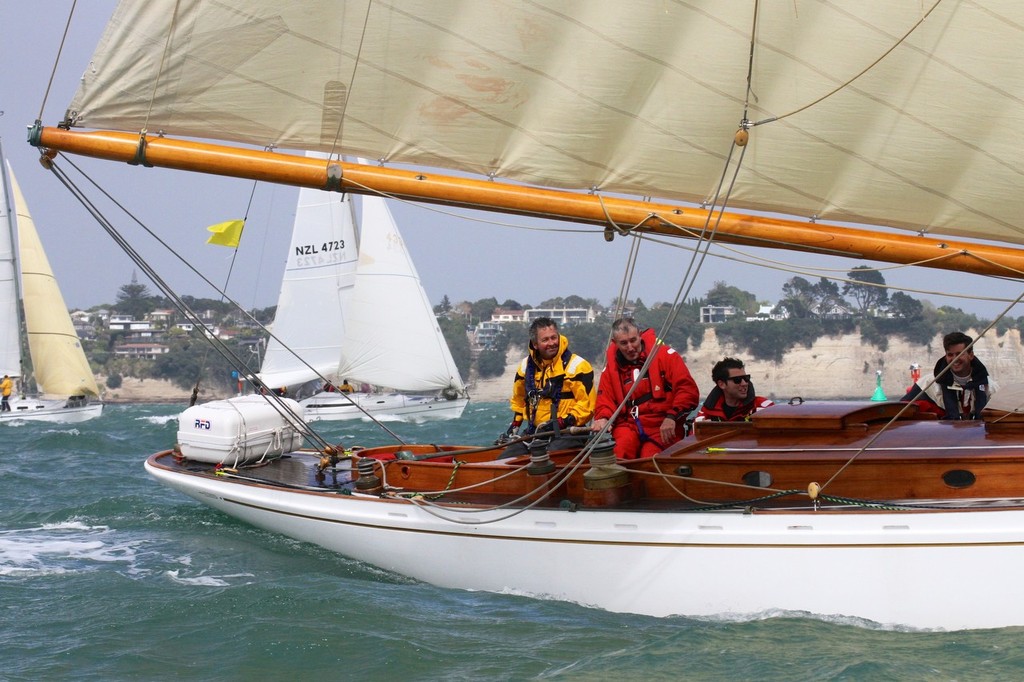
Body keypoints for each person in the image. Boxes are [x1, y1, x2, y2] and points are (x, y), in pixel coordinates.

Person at [591, 318, 699, 459]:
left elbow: (687, 390)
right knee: (617, 455)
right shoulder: (611, 369)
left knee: (650, 459)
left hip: (661, 423)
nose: (630, 347)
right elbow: (605, 399)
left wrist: (672, 416)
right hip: (628, 424)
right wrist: (603, 418)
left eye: (633, 340)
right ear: (615, 343)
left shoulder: (665, 356)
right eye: (624, 343)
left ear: (640, 335)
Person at [500, 317, 595, 457]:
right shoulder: (526, 367)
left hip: (570, 432)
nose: (551, 343)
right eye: (545, 340)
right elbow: (519, 400)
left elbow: (587, 405)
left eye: (554, 338)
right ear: (535, 344)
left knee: (544, 458)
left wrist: (563, 422)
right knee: (506, 459)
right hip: (536, 432)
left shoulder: (578, 366)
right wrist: (515, 426)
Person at [929, 331, 992, 419]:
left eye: (959, 354)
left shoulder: (990, 387)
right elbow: (907, 408)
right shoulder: (928, 384)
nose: (954, 359)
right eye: (950, 355)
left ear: (971, 355)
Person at [695, 357, 774, 422]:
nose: (744, 383)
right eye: (737, 380)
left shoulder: (764, 407)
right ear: (721, 384)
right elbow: (694, 437)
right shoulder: (707, 411)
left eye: (746, 378)